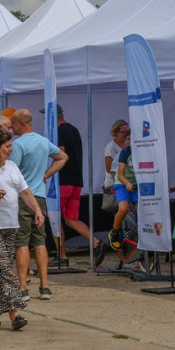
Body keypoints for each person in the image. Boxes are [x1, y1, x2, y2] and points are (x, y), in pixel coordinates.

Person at [0, 130, 41, 331]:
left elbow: (25, 191)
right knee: (5, 270)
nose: (10, 150)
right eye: (7, 147)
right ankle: (15, 313)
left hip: (10, 225)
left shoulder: (12, 166)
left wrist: (37, 209)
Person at [10, 108, 67, 302]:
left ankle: (23, 287)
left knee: (22, 242)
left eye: (14, 124)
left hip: (23, 198)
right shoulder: (43, 141)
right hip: (40, 197)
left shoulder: (18, 145)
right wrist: (46, 174)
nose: (12, 128)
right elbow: (63, 157)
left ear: (23, 124)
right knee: (40, 241)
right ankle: (45, 286)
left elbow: (13, 172)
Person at [51, 106, 102, 263]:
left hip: (63, 180)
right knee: (71, 219)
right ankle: (97, 243)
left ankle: (62, 256)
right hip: (76, 181)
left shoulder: (60, 131)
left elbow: (61, 153)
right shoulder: (74, 130)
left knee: (54, 217)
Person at [109, 140, 138, 248]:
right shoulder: (126, 152)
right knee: (123, 208)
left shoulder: (145, 151)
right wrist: (127, 183)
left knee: (143, 212)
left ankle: (140, 237)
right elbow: (120, 175)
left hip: (136, 183)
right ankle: (115, 232)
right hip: (122, 182)